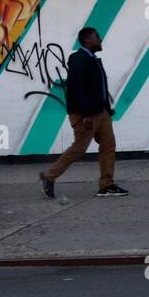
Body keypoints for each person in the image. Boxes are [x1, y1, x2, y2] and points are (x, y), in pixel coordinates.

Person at [39, 27, 128, 199]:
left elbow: (97, 87)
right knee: (79, 148)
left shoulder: (92, 59)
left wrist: (106, 109)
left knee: (108, 146)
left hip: (100, 112)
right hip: (86, 114)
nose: (100, 39)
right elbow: (78, 88)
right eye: (97, 37)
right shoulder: (79, 59)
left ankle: (106, 186)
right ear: (88, 40)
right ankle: (49, 176)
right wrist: (86, 113)